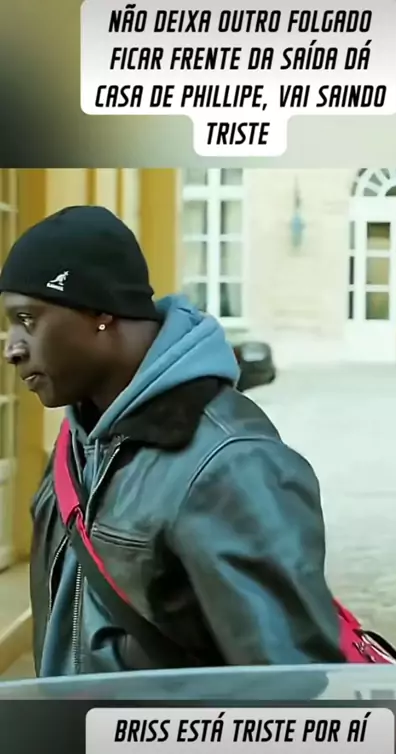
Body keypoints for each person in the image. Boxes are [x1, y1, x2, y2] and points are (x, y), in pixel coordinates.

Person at [1, 205, 346, 677]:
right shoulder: (77, 444)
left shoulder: (231, 463)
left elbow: (290, 688)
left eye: (27, 319)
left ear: (100, 312)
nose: (12, 348)